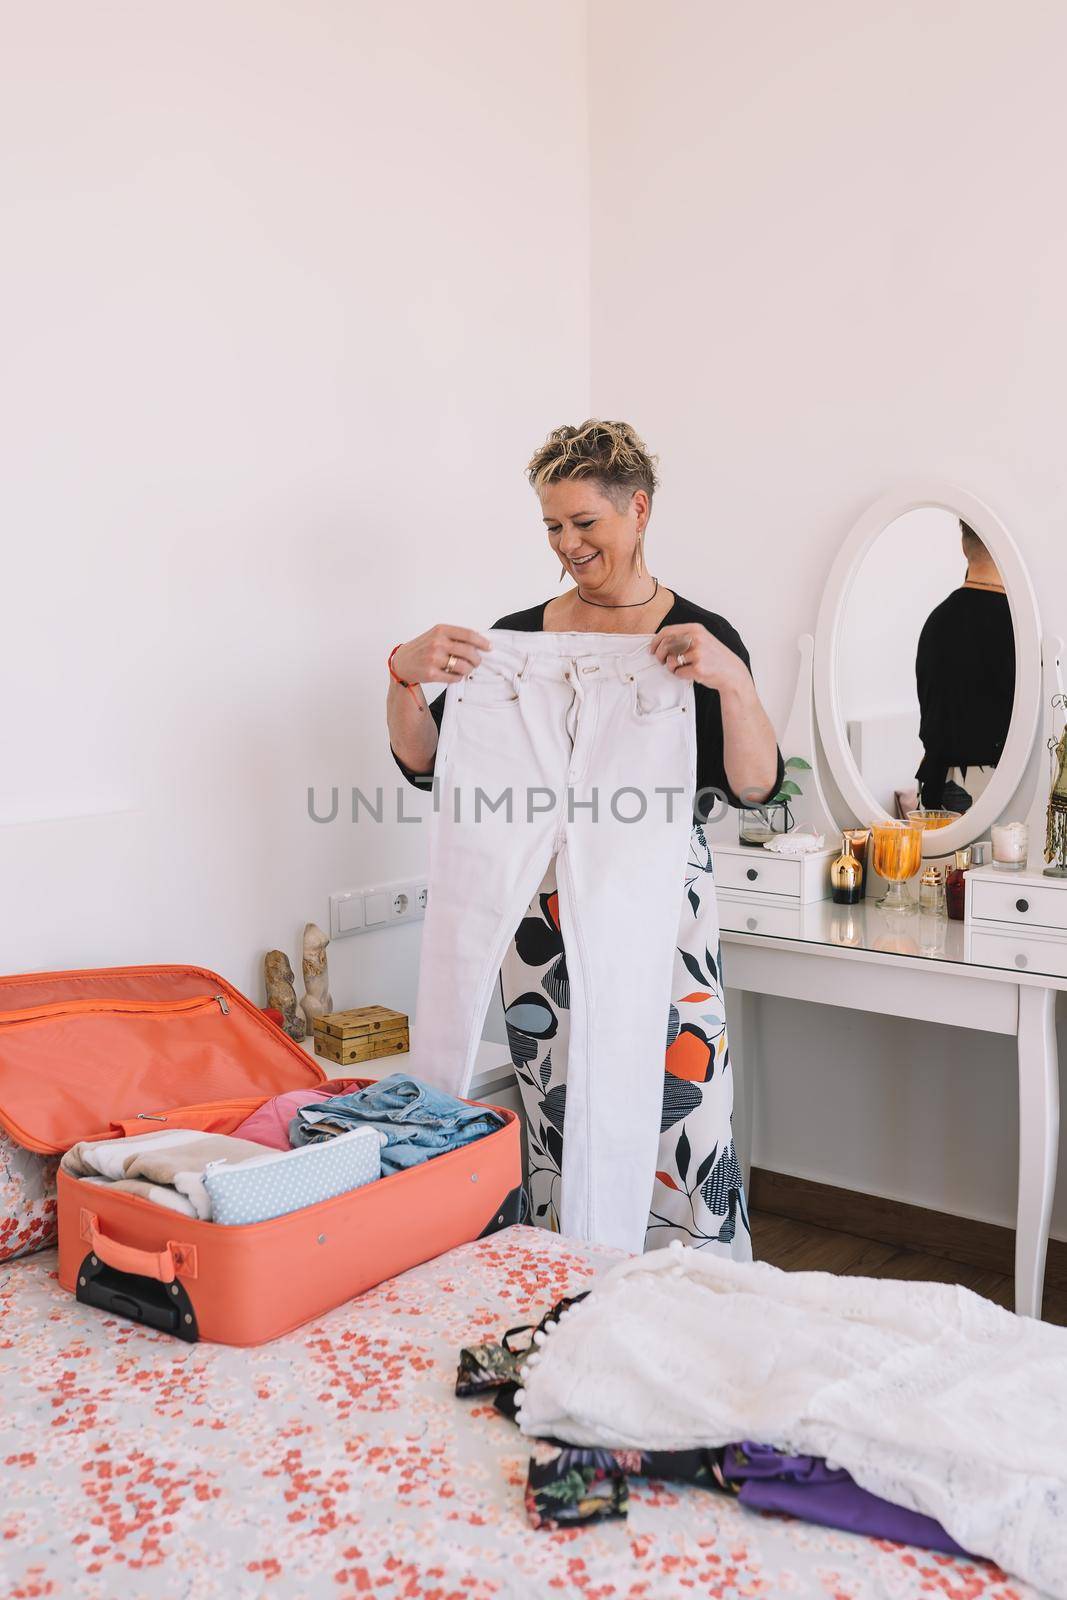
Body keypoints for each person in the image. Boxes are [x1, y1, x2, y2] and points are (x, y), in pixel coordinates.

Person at [387, 419, 783, 1255]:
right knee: (558, 1101)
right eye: (552, 527)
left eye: (583, 523)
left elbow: (753, 785)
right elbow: (429, 765)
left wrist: (730, 680)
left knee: (683, 1100)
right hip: (542, 910)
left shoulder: (699, 637)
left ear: (636, 510)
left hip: (658, 900)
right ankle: (567, 1286)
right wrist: (401, 673)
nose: (567, 544)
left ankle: (695, 1288)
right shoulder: (517, 639)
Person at [915, 520, 1015, 812]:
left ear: (963, 547)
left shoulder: (936, 621)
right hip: (1001, 786)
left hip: (936, 787)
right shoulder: (1019, 625)